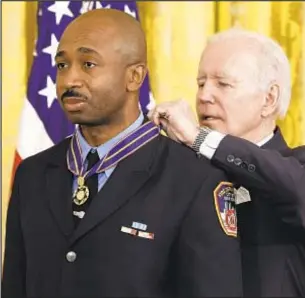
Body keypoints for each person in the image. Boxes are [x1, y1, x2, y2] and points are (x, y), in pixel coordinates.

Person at [2, 9, 243, 298]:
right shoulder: (33, 174)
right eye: (62, 65)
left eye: (88, 64)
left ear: (134, 76)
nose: (69, 80)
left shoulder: (194, 181)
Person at [149, 28, 305, 297]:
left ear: (268, 99)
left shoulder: (295, 167)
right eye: (200, 83)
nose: (204, 96)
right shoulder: (179, 170)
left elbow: (294, 190)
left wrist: (199, 138)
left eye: (223, 84)